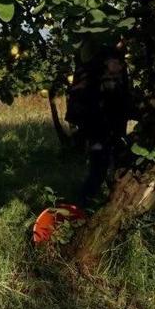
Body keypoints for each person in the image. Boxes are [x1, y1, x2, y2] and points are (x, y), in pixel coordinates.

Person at [65, 43, 132, 206]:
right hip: (99, 128)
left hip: (110, 126)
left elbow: (123, 98)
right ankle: (83, 204)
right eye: (118, 63)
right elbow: (85, 101)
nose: (121, 66)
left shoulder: (108, 68)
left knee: (116, 164)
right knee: (99, 167)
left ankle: (111, 199)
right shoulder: (95, 70)